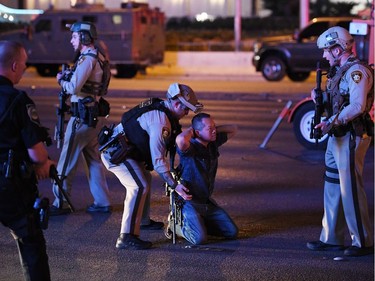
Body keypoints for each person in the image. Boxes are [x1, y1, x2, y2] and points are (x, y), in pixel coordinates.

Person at [100, 83, 203, 249]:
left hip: (125, 151)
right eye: (186, 109)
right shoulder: (162, 121)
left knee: (144, 178)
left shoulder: (162, 108)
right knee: (138, 186)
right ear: (176, 104)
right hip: (115, 154)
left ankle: (142, 221)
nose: (186, 113)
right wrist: (174, 185)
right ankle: (126, 237)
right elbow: (157, 159)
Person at [306, 26, 374, 257]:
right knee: (333, 186)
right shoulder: (340, 71)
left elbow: (357, 106)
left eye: (327, 51)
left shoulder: (357, 72)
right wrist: (319, 98)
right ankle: (332, 238)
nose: (325, 56)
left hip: (351, 135)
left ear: (338, 49)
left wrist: (331, 122)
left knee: (351, 190)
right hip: (337, 135)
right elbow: (338, 100)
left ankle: (362, 241)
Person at [0, 40, 54, 280]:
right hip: (10, 187)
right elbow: (38, 154)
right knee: (31, 242)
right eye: (23, 65)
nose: (24, 69)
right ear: (13, 66)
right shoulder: (18, 100)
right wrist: (44, 164)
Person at [50, 21, 111, 215]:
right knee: (93, 160)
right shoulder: (96, 56)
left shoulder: (88, 59)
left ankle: (61, 202)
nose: (71, 40)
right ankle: (102, 201)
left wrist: (62, 80)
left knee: (67, 159)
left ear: (84, 37)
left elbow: (74, 87)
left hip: (83, 118)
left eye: (74, 36)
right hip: (92, 116)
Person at [168, 112, 238, 245]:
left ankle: (199, 223)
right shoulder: (190, 147)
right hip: (188, 203)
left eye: (214, 127)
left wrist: (210, 129)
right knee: (199, 239)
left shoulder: (213, 143)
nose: (214, 131)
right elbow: (181, 140)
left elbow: (233, 128)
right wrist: (192, 131)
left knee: (231, 232)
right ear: (197, 133)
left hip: (205, 202)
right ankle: (176, 225)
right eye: (209, 129)